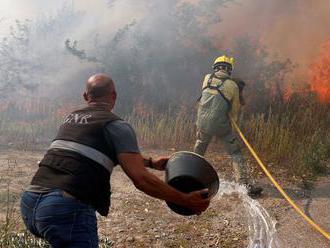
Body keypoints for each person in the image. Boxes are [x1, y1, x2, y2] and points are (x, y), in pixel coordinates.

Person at [20, 74, 210, 248]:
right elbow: (141, 180)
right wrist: (185, 199)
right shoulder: (117, 125)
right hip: (64, 208)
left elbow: (92, 151)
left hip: (30, 203)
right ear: (114, 95)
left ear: (86, 96)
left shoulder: (71, 118)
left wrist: (151, 162)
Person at [194, 55, 262, 197]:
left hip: (201, 122)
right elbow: (234, 111)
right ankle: (243, 184)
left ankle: (189, 173)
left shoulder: (207, 78)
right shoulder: (233, 86)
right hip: (220, 125)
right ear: (229, 69)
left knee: (199, 148)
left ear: (215, 67)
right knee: (235, 152)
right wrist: (230, 124)